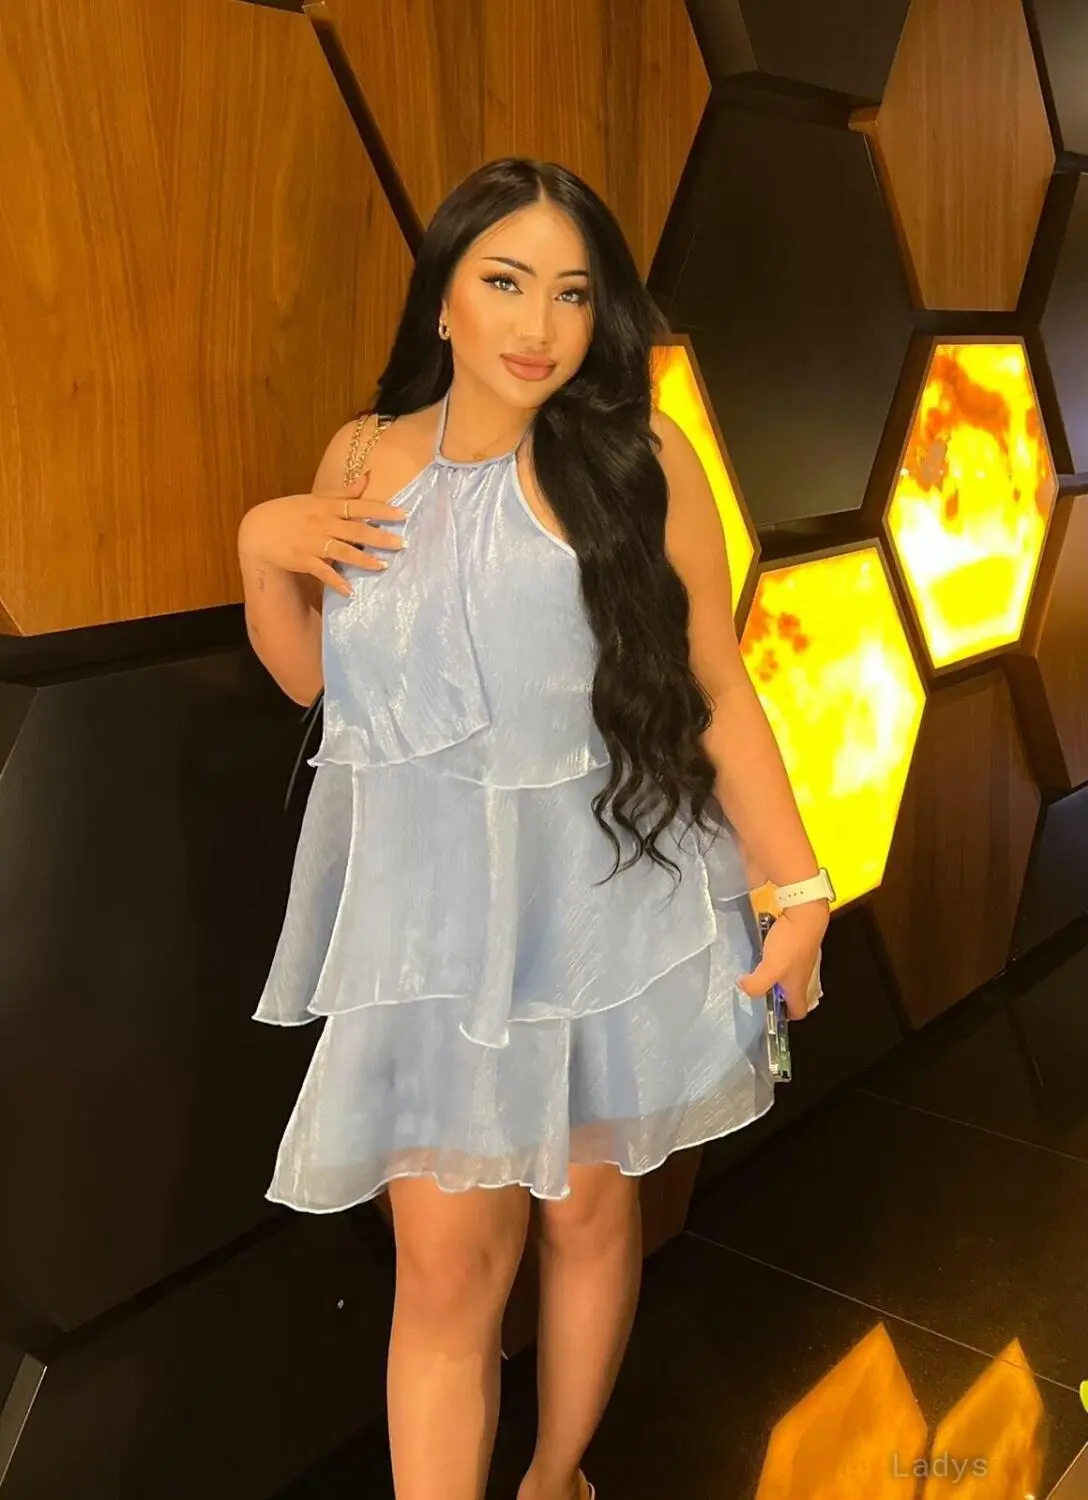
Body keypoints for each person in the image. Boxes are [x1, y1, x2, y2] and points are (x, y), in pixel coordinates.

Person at [237, 157, 830, 1500]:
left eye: (572, 292)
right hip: (429, 931)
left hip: (605, 896)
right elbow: (329, 691)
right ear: (444, 297)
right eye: (505, 281)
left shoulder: (641, 457)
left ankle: (557, 1474)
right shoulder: (360, 456)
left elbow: (716, 683)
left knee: (590, 1212)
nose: (539, 323)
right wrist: (261, 549)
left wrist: (799, 887)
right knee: (446, 1272)